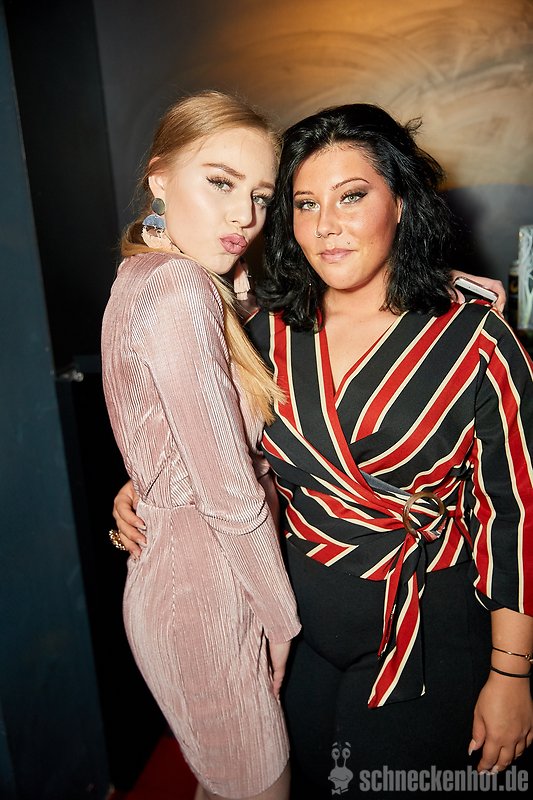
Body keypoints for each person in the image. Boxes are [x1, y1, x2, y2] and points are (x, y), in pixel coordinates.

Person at [112, 101, 530, 797]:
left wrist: (511, 674)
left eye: (352, 196)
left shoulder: (477, 342)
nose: (326, 225)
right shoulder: (262, 329)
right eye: (305, 203)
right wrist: (149, 487)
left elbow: (514, 516)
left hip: (423, 624)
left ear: (400, 202)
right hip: (294, 621)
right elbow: (224, 447)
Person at [100, 89, 302, 800]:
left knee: (225, 784)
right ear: (158, 178)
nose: (243, 215)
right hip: (206, 596)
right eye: (220, 182)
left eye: (260, 197)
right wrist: (281, 619)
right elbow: (228, 489)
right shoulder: (180, 288)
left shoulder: (143, 275)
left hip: (181, 583)